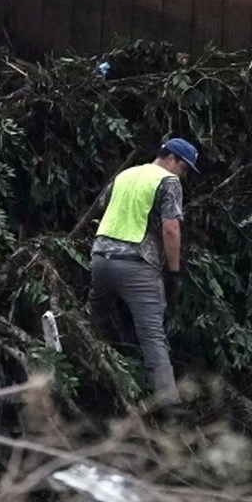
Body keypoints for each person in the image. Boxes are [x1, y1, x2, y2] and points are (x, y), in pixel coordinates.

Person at [87, 138, 201, 406]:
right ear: (172, 159)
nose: (183, 176)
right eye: (185, 169)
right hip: (136, 265)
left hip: (100, 259)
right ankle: (169, 405)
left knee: (96, 315)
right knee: (152, 336)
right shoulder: (168, 181)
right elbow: (171, 229)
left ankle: (92, 372)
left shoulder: (125, 174)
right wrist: (173, 274)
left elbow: (103, 205)